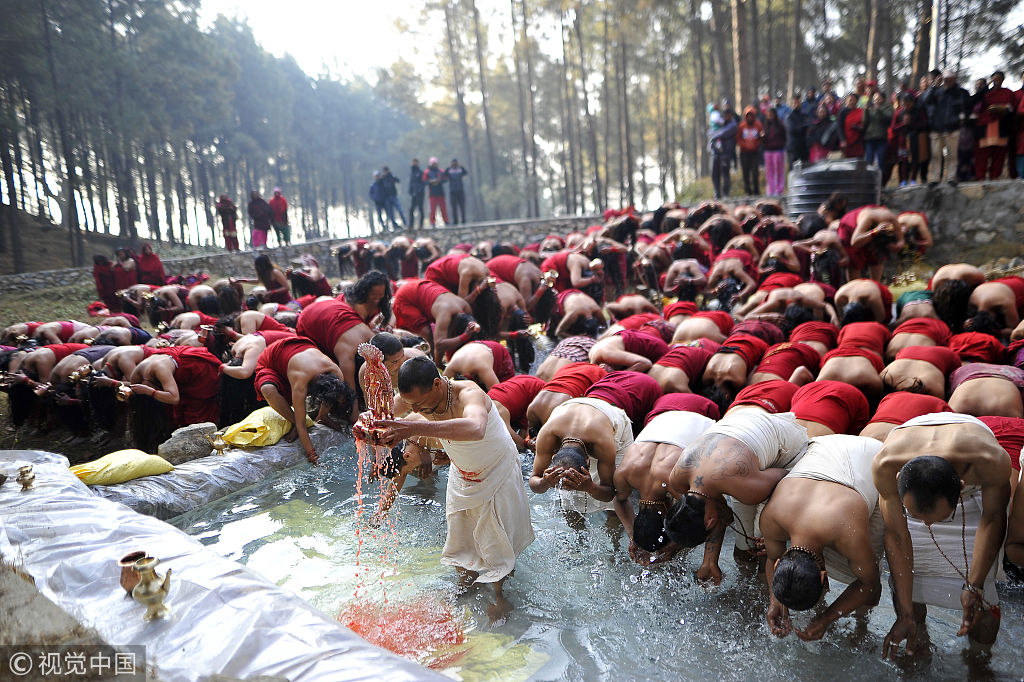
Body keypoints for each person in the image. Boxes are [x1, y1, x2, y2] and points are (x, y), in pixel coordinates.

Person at [374, 356, 535, 621]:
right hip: (462, 472)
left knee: (497, 538)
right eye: (410, 404)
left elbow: (475, 428)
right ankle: (466, 584)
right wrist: (371, 426)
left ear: (437, 385)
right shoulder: (415, 398)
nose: (414, 408)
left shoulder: (469, 393)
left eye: (419, 404)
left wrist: (412, 427)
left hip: (496, 468)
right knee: (461, 535)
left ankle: (499, 597)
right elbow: (386, 413)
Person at [872, 414, 1010, 655]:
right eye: (918, 517)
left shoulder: (990, 461)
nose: (927, 525)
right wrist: (905, 614)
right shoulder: (886, 464)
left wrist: (974, 586)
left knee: (984, 601)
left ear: (961, 488)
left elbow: (993, 518)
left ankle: (979, 658)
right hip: (914, 461)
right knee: (907, 591)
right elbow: (896, 535)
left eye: (937, 518)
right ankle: (918, 639)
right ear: (898, 481)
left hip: (973, 477)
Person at [762, 434, 885, 641]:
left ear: (823, 576)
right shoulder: (772, 517)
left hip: (874, 454)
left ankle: (861, 626)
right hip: (826, 443)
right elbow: (772, 557)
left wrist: (826, 619)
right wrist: (775, 601)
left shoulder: (849, 535)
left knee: (872, 568)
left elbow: (870, 583)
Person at [666, 407, 810, 580]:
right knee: (745, 548)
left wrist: (773, 535)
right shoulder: (676, 480)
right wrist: (709, 562)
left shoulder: (748, 489)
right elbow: (713, 512)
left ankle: (765, 578)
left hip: (787, 444)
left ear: (710, 521)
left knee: (760, 542)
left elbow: (786, 476)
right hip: (739, 421)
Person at [254, 336, 353, 464]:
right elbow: (302, 425)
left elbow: (337, 393)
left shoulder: (336, 372)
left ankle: (322, 416)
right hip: (272, 360)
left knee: (335, 393)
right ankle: (292, 421)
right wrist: (312, 455)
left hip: (301, 347)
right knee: (268, 389)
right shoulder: (301, 381)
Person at [921, 70, 970, 184]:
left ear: (954, 79)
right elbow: (925, 100)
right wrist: (934, 86)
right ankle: (935, 178)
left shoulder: (961, 92)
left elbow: (967, 109)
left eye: (950, 79)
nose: (948, 81)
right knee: (935, 156)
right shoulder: (937, 91)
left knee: (952, 156)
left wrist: (958, 121)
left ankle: (951, 177)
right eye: (946, 79)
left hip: (953, 129)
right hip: (936, 129)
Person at [975, 71, 1016, 180]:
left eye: (999, 78)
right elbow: (975, 100)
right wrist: (987, 84)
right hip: (985, 125)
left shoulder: (1008, 93)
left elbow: (1012, 108)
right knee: (983, 153)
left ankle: (995, 176)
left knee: (999, 152)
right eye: (994, 79)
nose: (997, 81)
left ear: (1003, 80)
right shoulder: (985, 93)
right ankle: (981, 177)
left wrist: (1005, 109)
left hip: (1001, 125)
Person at [708, 108, 738, 199]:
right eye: (724, 115)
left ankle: (725, 194)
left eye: (728, 115)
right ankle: (717, 193)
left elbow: (724, 133)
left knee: (725, 173)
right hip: (716, 152)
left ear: (731, 115)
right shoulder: (721, 124)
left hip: (726, 153)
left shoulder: (733, 125)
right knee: (714, 173)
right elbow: (712, 132)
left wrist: (714, 137)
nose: (726, 117)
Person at [736, 106, 764, 196]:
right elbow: (738, 138)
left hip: (755, 152)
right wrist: (744, 145)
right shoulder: (742, 126)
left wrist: (756, 144)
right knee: (745, 172)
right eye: (748, 116)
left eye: (751, 115)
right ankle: (747, 191)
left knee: (755, 171)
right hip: (744, 152)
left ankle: (756, 190)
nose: (750, 118)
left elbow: (761, 137)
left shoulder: (758, 125)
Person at [762, 108, 787, 196]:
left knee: (779, 170)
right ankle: (771, 190)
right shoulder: (764, 125)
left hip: (778, 150)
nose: (769, 115)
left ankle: (779, 190)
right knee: (769, 172)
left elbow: (784, 136)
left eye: (771, 114)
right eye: (768, 114)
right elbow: (763, 139)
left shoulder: (780, 124)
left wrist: (780, 144)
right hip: (768, 151)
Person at [424, 157, 448, 226]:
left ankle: (446, 220)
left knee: (443, 208)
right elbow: (424, 181)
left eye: (435, 163)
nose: (434, 165)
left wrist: (439, 180)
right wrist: (431, 182)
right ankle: (432, 222)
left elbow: (445, 179)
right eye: (433, 164)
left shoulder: (441, 171)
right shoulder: (427, 172)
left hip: (440, 192)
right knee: (432, 209)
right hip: (432, 193)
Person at [446, 159, 468, 225]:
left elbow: (465, 172)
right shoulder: (449, 170)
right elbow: (444, 174)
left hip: (460, 190)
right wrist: (450, 167)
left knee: (462, 206)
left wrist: (461, 166)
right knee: (454, 207)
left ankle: (463, 220)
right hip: (452, 191)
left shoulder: (460, 169)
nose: (455, 164)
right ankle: (455, 221)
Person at [409, 158, 426, 229]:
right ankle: (411, 225)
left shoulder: (420, 172)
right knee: (411, 210)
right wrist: (410, 190)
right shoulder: (412, 173)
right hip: (414, 194)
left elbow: (423, 183)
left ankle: (421, 225)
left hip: (420, 193)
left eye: (415, 162)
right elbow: (411, 183)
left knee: (420, 209)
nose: (413, 164)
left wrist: (419, 190)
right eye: (412, 162)